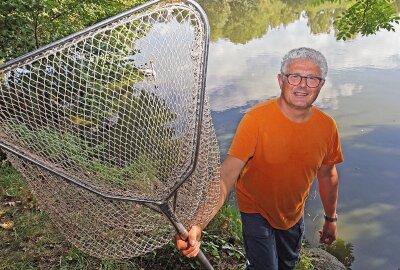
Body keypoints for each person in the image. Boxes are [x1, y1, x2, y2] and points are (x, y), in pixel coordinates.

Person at [176, 47, 343, 270]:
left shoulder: (327, 126)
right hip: (255, 208)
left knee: (288, 263)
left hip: (293, 212)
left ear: (321, 85)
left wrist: (331, 219)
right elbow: (226, 175)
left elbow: (327, 174)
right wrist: (199, 222)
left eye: (312, 78)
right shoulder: (255, 120)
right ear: (280, 80)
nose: (303, 85)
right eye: (294, 77)